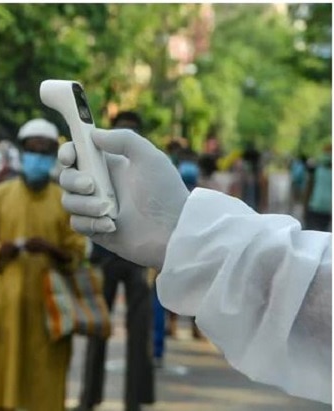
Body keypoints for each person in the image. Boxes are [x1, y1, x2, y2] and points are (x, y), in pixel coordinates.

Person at [56, 128, 331, 404]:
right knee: (108, 327)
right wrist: (179, 232)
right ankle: (90, 397)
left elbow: (306, 290)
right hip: (125, 256)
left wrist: (184, 233)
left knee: (145, 325)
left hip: (159, 258)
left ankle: (136, 396)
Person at [0, 118, 87, 410]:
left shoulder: (66, 200)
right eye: (32, 150)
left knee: (46, 385)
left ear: (54, 156)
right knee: (2, 381)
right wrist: (2, 250)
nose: (37, 157)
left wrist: (53, 250)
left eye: (44, 151)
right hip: (6, 304)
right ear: (22, 151)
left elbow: (78, 251)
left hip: (50, 309)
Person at [78, 111, 154, 411]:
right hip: (105, 258)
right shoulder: (99, 167)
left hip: (139, 258)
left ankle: (135, 402)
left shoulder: (151, 168)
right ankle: (88, 398)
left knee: (140, 331)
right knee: (98, 328)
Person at [303, 144, 331, 232]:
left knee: (312, 233)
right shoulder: (317, 169)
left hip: (318, 207)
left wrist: (305, 206)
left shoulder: (317, 169)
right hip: (323, 208)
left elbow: (308, 188)